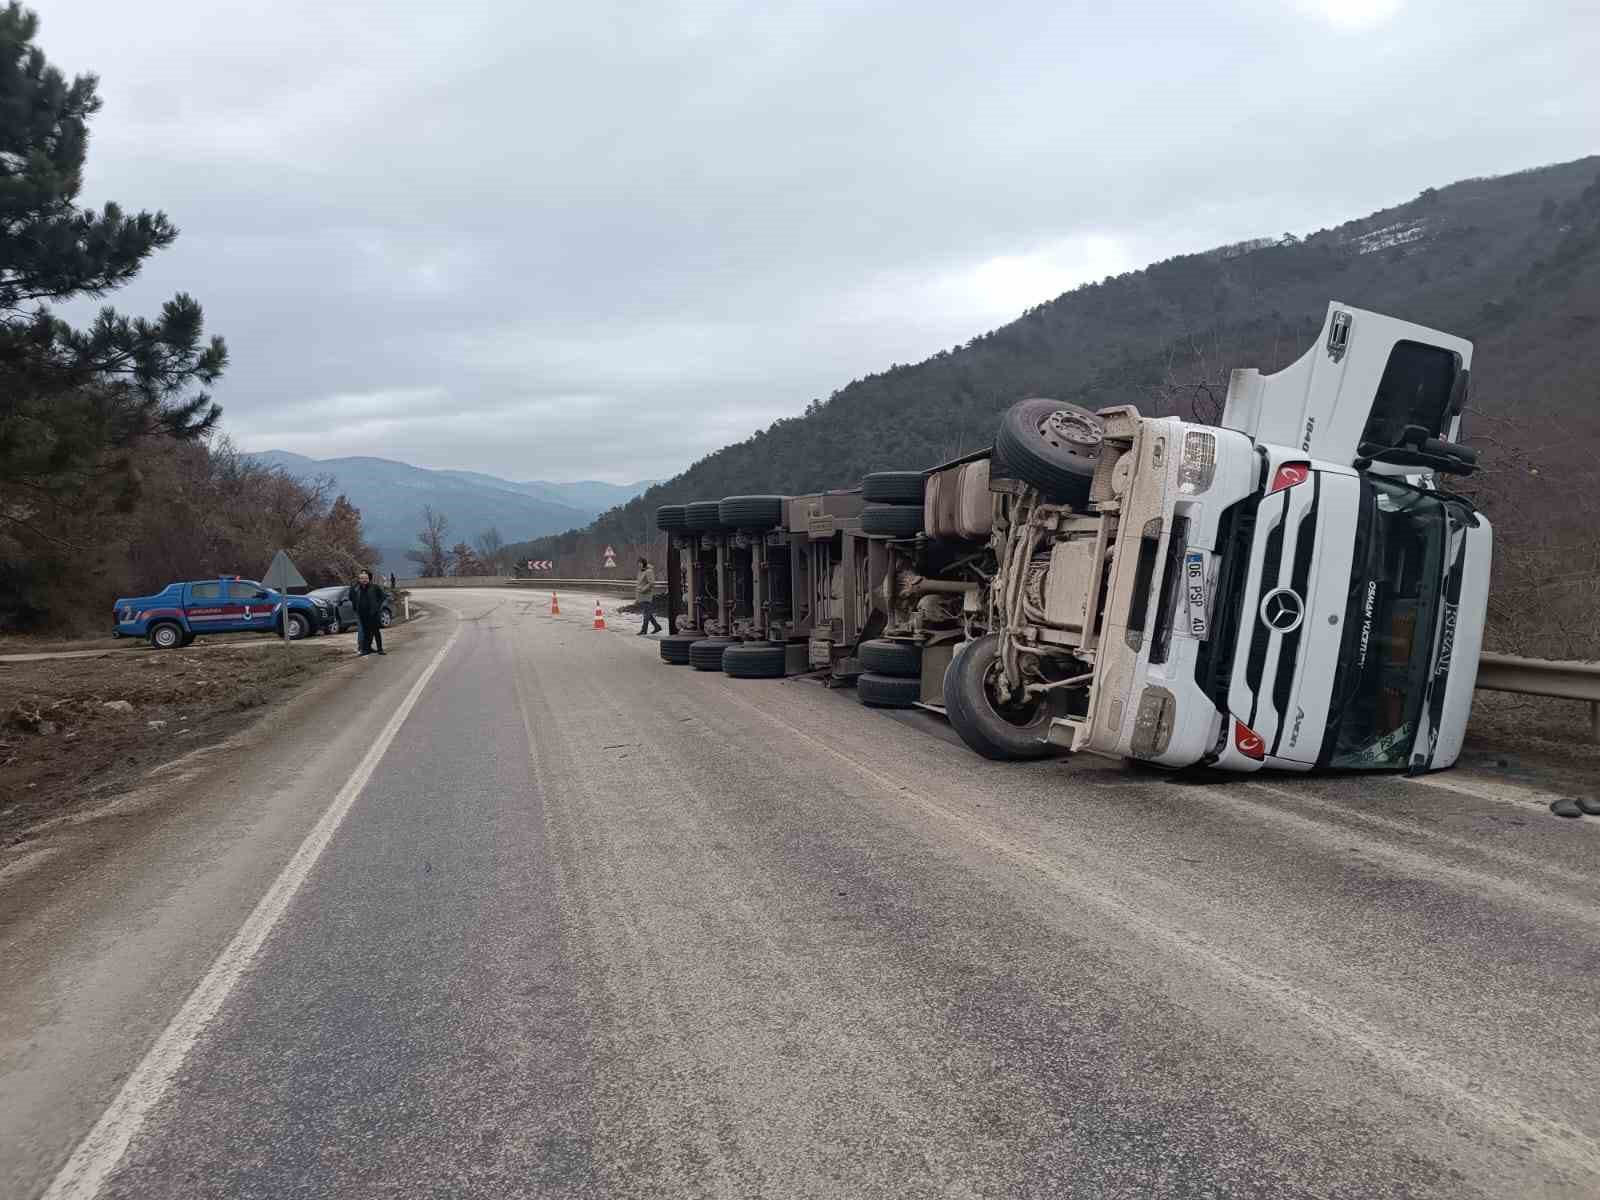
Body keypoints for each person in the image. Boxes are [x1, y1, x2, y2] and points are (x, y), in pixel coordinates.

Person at [348, 569, 388, 656]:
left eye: (365, 578)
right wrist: (355, 606)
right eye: (361, 578)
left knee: (375, 631)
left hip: (373, 613)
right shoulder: (356, 588)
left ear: (369, 578)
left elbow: (382, 597)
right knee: (366, 632)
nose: (364, 580)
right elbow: (351, 597)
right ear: (359, 579)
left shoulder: (374, 587)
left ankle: (380, 649)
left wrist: (377, 606)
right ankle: (366, 649)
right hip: (362, 613)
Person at [635, 557, 661, 636]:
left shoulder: (649, 571)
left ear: (644, 563)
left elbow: (652, 583)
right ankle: (657, 626)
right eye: (638, 563)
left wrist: (643, 589)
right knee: (647, 613)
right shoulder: (640, 571)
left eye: (640, 563)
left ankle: (644, 630)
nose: (639, 565)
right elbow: (640, 583)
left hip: (646, 595)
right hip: (641, 595)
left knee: (646, 613)